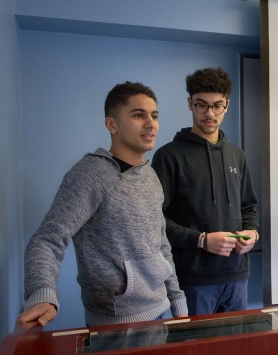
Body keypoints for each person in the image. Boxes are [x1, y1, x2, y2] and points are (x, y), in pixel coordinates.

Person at [16, 82, 188, 328]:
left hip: (161, 312)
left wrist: (178, 305)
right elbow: (47, 238)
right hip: (116, 325)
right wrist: (42, 295)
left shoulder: (150, 177)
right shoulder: (90, 174)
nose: (151, 124)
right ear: (112, 124)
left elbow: (161, 245)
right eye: (138, 115)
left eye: (154, 115)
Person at [151, 67, 259, 316]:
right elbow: (154, 221)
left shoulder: (237, 156)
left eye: (217, 106)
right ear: (190, 104)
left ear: (227, 106)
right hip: (193, 279)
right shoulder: (169, 156)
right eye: (202, 105)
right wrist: (201, 240)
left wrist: (253, 233)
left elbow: (249, 208)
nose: (210, 113)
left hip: (237, 275)